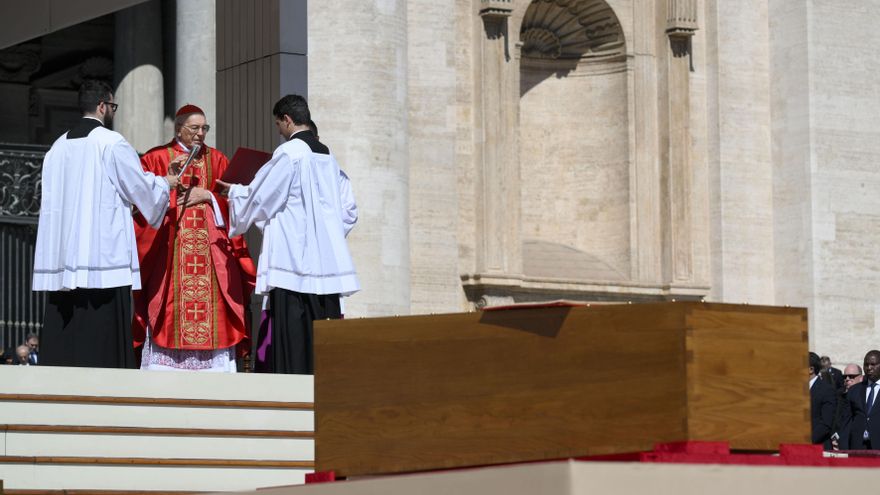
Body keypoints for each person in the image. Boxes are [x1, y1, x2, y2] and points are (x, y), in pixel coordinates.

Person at [32, 79, 177, 368]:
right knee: (101, 332)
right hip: (101, 254)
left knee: (67, 326)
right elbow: (138, 187)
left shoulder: (57, 147)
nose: (113, 111)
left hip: (64, 254)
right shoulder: (111, 143)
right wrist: (165, 183)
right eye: (113, 105)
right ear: (102, 105)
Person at [216, 94, 359, 374]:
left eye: (278, 124)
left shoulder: (290, 153)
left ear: (287, 120)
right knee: (320, 339)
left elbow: (262, 197)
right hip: (326, 266)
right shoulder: (328, 157)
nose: (279, 131)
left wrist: (233, 192)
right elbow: (347, 211)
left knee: (293, 337)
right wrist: (326, 237)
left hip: (293, 263)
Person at [133, 104, 256, 372]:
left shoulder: (218, 160)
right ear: (179, 129)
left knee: (216, 310)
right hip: (172, 253)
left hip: (211, 256)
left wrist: (209, 196)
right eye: (195, 128)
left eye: (205, 128)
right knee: (169, 309)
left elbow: (236, 203)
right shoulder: (156, 159)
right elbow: (140, 204)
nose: (201, 134)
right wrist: (167, 182)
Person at [842, 350, 880, 449]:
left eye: (873, 364)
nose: (869, 368)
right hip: (858, 446)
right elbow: (846, 422)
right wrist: (844, 448)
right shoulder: (854, 390)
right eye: (866, 364)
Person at [809, 352, 836, 449]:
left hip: (817, 446)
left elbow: (826, 423)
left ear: (811, 369)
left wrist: (806, 441)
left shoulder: (826, 390)